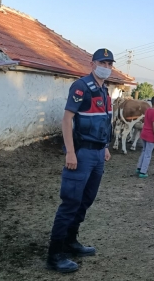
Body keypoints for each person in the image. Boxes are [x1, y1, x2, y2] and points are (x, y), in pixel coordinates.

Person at [46, 48, 114, 273]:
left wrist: (105, 147)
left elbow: (103, 122)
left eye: (109, 63)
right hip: (81, 153)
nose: (106, 67)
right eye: (102, 62)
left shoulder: (105, 91)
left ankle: (71, 241)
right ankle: (55, 255)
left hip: (97, 155)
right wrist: (70, 152)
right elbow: (67, 120)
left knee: (86, 200)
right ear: (92, 64)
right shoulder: (81, 87)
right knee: (70, 203)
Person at [136, 96, 154, 178]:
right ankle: (143, 172)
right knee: (148, 154)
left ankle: (139, 167)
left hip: (144, 133)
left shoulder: (148, 110)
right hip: (150, 135)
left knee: (144, 151)